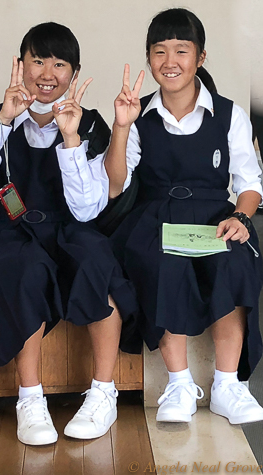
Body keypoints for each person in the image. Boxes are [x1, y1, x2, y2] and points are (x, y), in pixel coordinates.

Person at [0, 22, 138, 445]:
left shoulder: (89, 125)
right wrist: (2, 121)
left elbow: (88, 208)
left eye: (60, 63)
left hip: (70, 227)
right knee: (24, 269)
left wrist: (70, 138)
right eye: (38, 60)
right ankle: (30, 398)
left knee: (97, 263)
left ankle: (103, 392)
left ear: (74, 73)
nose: (48, 72)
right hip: (11, 230)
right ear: (21, 65)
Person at [105, 8, 263, 425]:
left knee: (233, 259)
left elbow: (250, 183)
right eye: (159, 52)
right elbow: (114, 184)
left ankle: (228, 384)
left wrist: (242, 220)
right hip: (155, 215)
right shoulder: (136, 114)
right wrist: (121, 127)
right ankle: (178, 383)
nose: (169, 61)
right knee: (161, 262)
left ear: (201, 57)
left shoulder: (229, 115)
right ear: (149, 58)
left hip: (216, 214)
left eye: (181, 50)